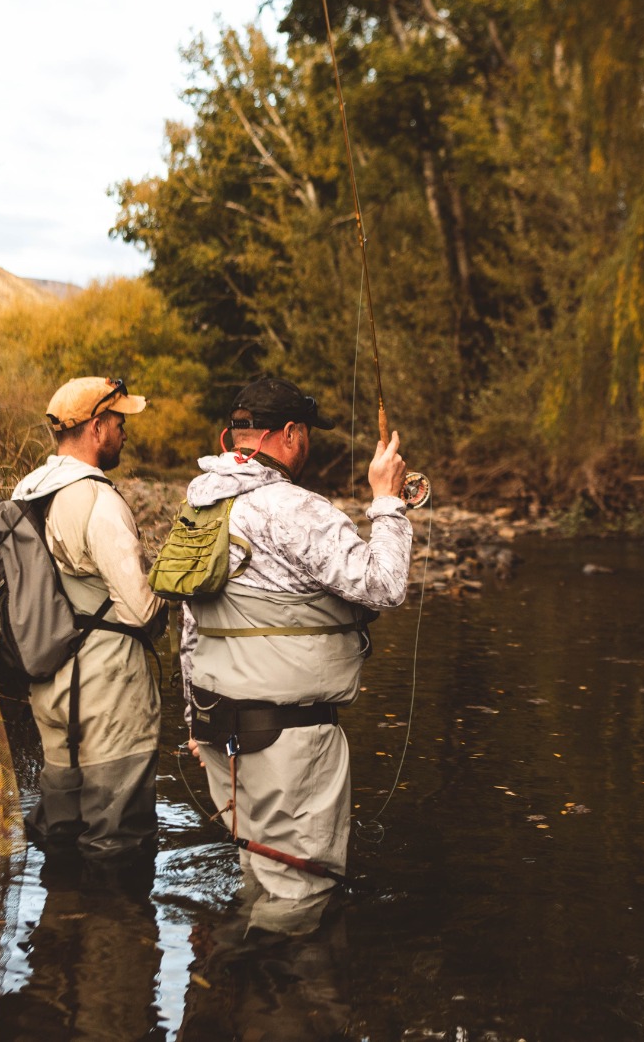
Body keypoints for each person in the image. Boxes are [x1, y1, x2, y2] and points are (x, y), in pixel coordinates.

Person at [180, 376, 411, 934]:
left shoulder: (200, 502)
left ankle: (232, 991)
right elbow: (384, 586)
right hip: (287, 744)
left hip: (219, 732)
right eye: (306, 434)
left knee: (260, 873)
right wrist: (387, 501)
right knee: (301, 898)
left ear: (230, 435)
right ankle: (277, 999)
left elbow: (191, 620)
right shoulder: (293, 508)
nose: (307, 445)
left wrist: (191, 718)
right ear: (288, 435)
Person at [12, 376, 166, 859]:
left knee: (60, 830)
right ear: (97, 427)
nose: (125, 432)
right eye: (120, 422)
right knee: (118, 841)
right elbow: (141, 612)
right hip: (109, 695)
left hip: (48, 686)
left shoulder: (27, 491)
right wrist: (176, 590)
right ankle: (112, 928)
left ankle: (63, 920)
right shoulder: (98, 500)